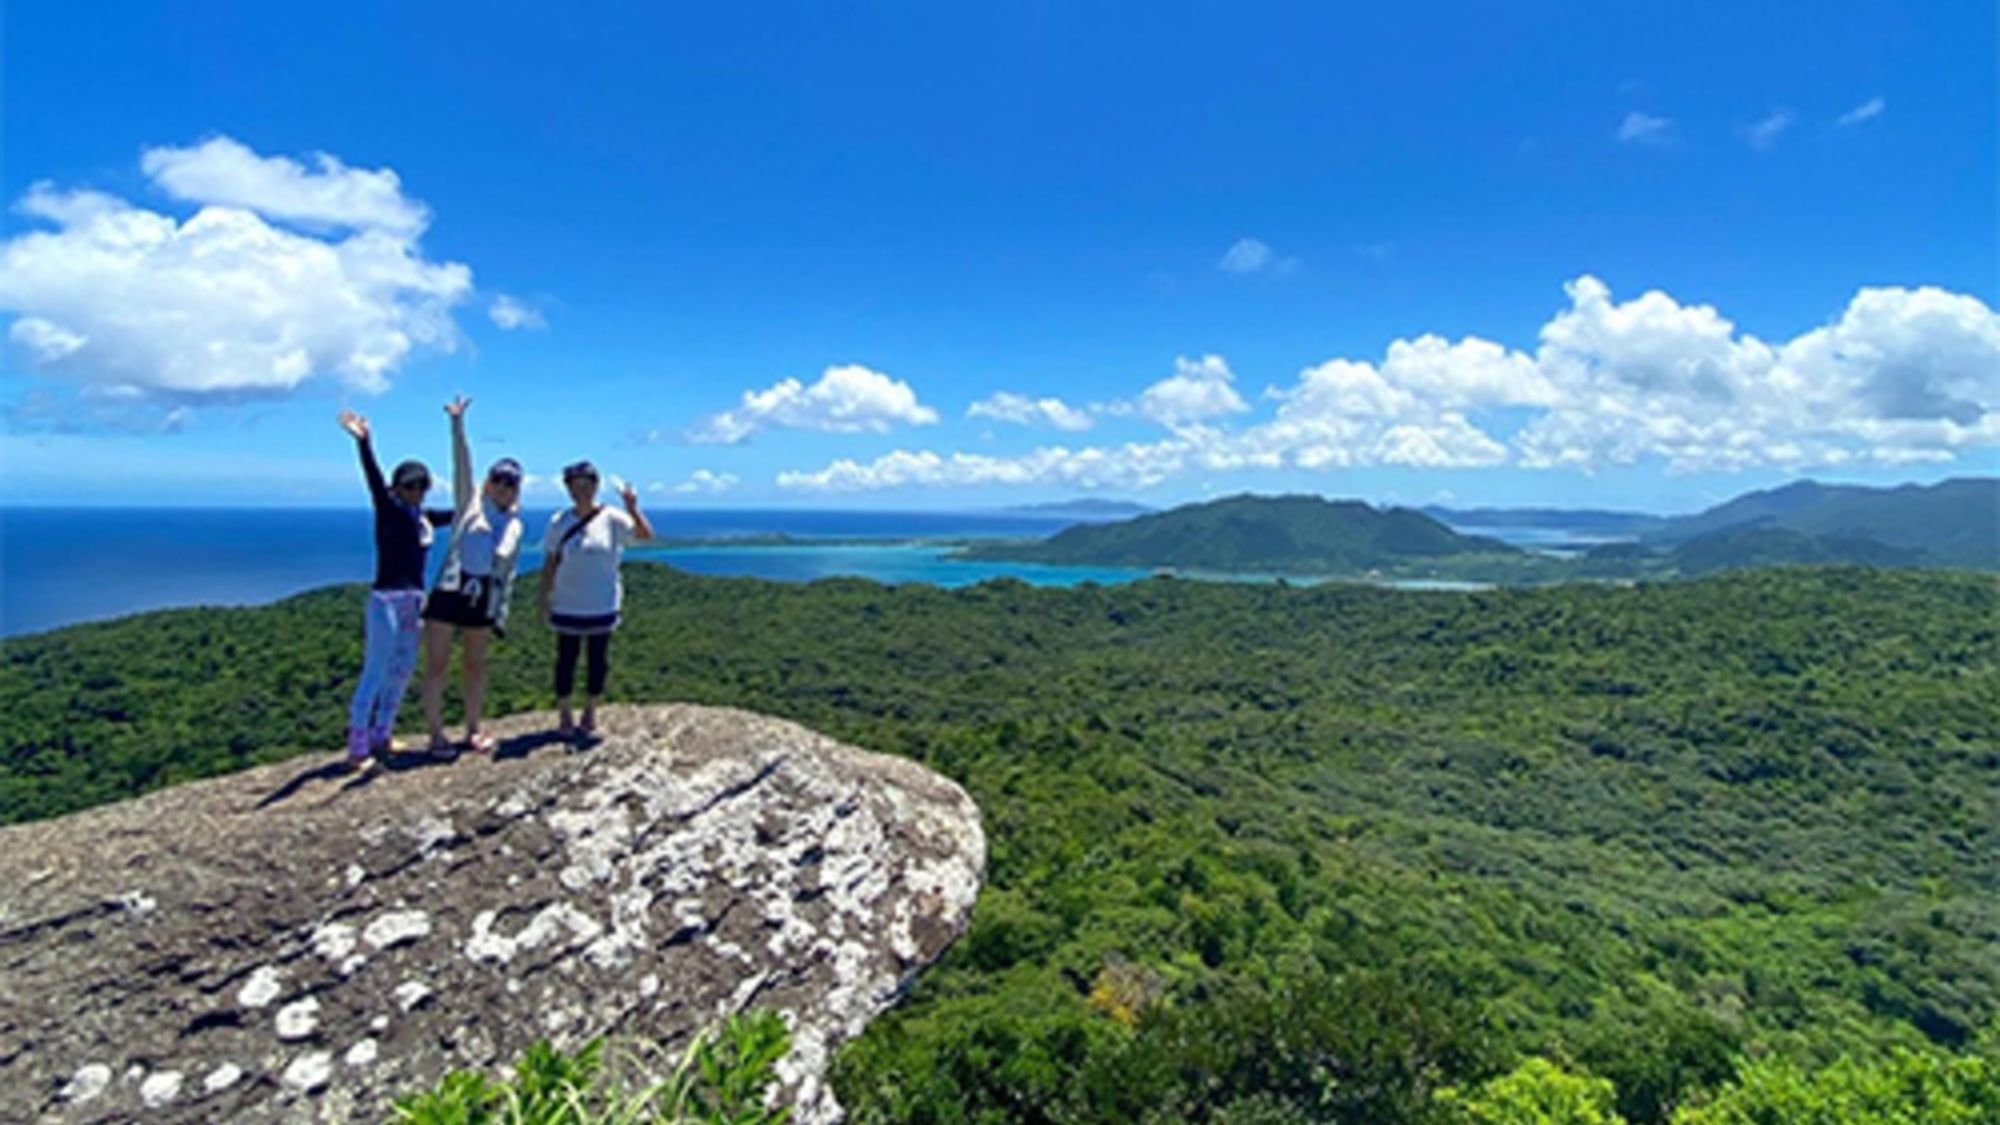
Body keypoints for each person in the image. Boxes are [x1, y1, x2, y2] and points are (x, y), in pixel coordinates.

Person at [337, 409, 455, 768]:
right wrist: (364, 442)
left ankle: (382, 734)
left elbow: (459, 513)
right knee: (376, 668)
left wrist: (482, 499)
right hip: (386, 599)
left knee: (402, 669)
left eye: (422, 487)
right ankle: (358, 745)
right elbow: (372, 479)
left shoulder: (423, 518)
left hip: (414, 600)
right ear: (397, 487)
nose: (416, 492)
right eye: (410, 486)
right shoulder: (388, 509)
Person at [419, 395, 525, 756]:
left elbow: (505, 559)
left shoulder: (514, 523)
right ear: (488, 482)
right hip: (451, 590)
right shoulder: (469, 506)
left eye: (511, 483)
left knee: (475, 666)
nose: (504, 487)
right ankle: (435, 735)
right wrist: (457, 424)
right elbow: (461, 464)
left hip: (482, 596)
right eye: (499, 479)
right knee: (437, 665)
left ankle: (473, 730)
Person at [539, 460, 653, 740]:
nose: (582, 490)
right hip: (567, 602)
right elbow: (551, 561)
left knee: (597, 660)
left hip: (602, 603)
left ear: (596, 486)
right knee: (565, 658)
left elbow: (645, 536)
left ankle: (590, 711)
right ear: (568, 488)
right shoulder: (559, 521)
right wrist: (544, 595)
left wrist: (632, 508)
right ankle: (565, 714)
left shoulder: (612, 518)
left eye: (587, 484)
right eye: (575, 485)